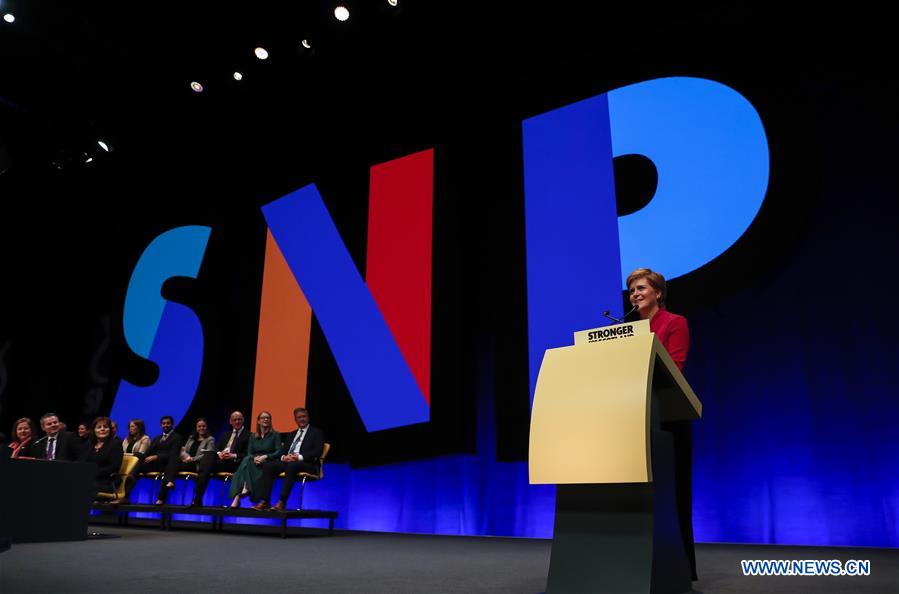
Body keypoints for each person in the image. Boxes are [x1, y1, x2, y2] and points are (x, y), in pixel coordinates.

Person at [626, 267, 696, 580]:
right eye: (632, 291)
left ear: (658, 293)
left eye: (641, 288)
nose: (635, 294)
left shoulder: (674, 323)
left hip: (667, 419)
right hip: (633, 420)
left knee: (673, 495)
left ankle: (679, 567)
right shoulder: (626, 330)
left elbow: (675, 368)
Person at [253, 407, 324, 511]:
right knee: (269, 466)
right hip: (289, 462)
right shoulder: (291, 434)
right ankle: (265, 501)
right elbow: (283, 451)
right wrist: (284, 457)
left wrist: (299, 457)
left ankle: (282, 501)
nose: (302, 419)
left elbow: (318, 451)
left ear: (308, 418)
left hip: (307, 463)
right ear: (295, 420)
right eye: (299, 417)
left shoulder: (316, 432)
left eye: (304, 416)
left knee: (292, 466)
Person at [188, 410, 249, 507]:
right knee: (210, 454)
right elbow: (216, 448)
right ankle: (198, 497)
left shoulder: (248, 435)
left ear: (243, 420)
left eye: (239, 419)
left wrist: (234, 455)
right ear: (230, 421)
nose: (237, 422)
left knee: (205, 468)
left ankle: (198, 494)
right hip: (221, 462)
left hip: (235, 464)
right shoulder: (225, 434)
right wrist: (220, 453)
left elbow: (248, 454)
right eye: (234, 420)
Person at [155, 418, 215, 504]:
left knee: (170, 467)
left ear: (206, 427)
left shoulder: (210, 439)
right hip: (186, 461)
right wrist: (186, 457)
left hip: (197, 464)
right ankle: (168, 484)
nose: (201, 428)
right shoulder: (191, 438)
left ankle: (162, 496)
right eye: (199, 426)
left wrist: (192, 459)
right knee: (172, 462)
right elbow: (184, 450)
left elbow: (208, 454)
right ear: (196, 428)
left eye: (203, 426)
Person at [228, 411, 280, 508]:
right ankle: (243, 490)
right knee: (247, 459)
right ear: (258, 421)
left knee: (245, 463)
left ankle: (239, 495)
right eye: (263, 418)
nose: (266, 419)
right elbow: (250, 452)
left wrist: (266, 457)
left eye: (268, 418)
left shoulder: (275, 435)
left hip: (268, 462)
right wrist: (255, 458)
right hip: (254, 461)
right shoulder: (253, 436)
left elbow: (278, 452)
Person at [137, 416, 183, 495]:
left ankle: (161, 497)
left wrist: (157, 457)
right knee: (137, 463)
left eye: (168, 423)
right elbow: (148, 452)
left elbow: (173, 454)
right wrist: (140, 455)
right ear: (161, 425)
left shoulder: (177, 437)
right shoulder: (157, 438)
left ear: (172, 425)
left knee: (171, 463)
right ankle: (128, 481)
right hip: (155, 464)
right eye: (163, 423)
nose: (165, 425)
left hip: (167, 464)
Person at [79, 416, 124, 496]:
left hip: (107, 481)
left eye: (105, 427)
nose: (102, 429)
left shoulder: (115, 444)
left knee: (82, 486)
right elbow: (82, 462)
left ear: (110, 430)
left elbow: (114, 467)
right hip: (89, 479)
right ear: (94, 430)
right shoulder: (89, 444)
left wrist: (92, 472)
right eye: (99, 427)